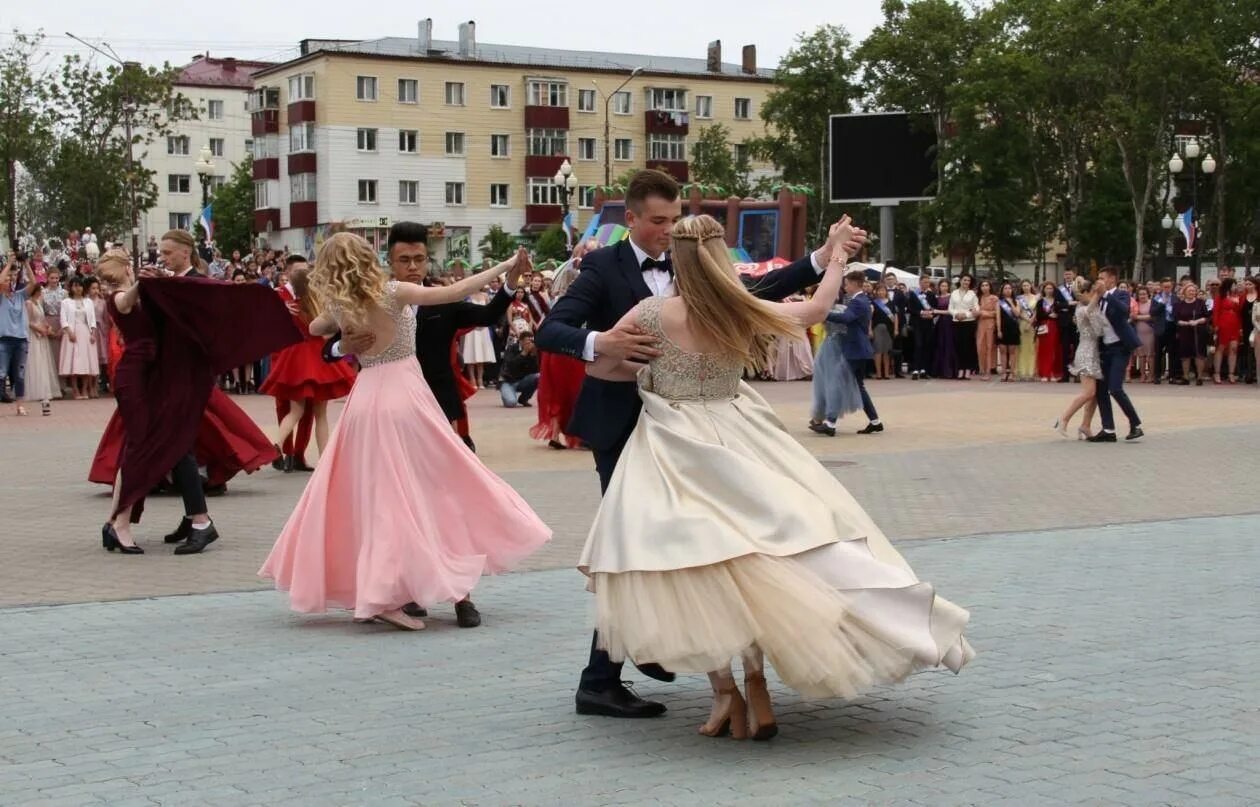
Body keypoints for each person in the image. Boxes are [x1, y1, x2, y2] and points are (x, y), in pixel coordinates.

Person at [578, 215, 972, 740]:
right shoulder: (735, 306)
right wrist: (835, 261)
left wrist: (647, 369)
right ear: (720, 258)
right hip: (740, 434)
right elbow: (811, 310)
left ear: (677, 258)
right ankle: (758, 689)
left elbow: (599, 365)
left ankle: (726, 697)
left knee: (694, 563)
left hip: (672, 445)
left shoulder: (650, 313)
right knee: (775, 547)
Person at [536, 168, 864, 719]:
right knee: (636, 546)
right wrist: (601, 340)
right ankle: (609, 673)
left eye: (673, 220)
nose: (667, 230)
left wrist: (821, 257)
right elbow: (553, 330)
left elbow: (753, 292)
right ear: (632, 219)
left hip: (698, 432)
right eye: (658, 221)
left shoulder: (697, 263)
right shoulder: (601, 266)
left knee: (698, 543)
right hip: (625, 428)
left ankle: (646, 651)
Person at [259, 233, 551, 630]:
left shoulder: (345, 303)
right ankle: (394, 591)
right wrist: (503, 268)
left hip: (366, 401)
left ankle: (400, 588)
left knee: (382, 495)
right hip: (405, 398)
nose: (413, 265)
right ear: (375, 258)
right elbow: (460, 290)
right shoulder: (394, 293)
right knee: (425, 487)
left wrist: (345, 340)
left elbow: (314, 328)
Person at [97, 249, 299, 555]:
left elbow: (206, 300)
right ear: (127, 268)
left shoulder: (153, 288)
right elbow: (125, 303)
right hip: (137, 378)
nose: (163, 257)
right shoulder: (120, 296)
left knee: (151, 446)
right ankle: (125, 522)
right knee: (145, 446)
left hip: (161, 378)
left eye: (168, 251)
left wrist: (270, 301)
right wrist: (142, 284)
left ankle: (121, 522)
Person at [322, 222, 517, 453]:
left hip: (438, 402)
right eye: (405, 260)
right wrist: (342, 346)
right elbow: (327, 349)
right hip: (387, 408)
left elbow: (487, 315)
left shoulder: (442, 301)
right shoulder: (370, 301)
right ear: (390, 262)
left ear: (427, 261)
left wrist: (511, 283)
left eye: (419, 259)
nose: (413, 267)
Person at [260, 263, 356, 468]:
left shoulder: (289, 303)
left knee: (295, 411)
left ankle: (277, 443)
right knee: (321, 414)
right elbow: (326, 333)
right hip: (318, 356)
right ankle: (324, 459)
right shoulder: (319, 303)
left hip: (295, 356)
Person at [531, 249, 591, 449]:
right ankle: (578, 433)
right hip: (572, 352)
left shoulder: (556, 300)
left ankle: (556, 434)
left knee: (556, 392)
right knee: (575, 391)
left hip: (554, 351)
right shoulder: (579, 301)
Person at [271, 255, 318, 472]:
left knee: (307, 408)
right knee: (285, 406)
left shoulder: (312, 296)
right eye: (298, 270)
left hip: (308, 358)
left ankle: (299, 454)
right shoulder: (277, 296)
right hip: (283, 357)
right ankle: (285, 453)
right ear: (287, 272)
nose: (302, 274)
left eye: (305, 269)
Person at [1088, 266, 1143, 444]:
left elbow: (1123, 311)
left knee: (1115, 388)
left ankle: (1135, 424)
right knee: (1101, 389)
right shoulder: (1098, 298)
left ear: (1111, 279)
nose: (1099, 281)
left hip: (1120, 347)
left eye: (1102, 278)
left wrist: (1106, 294)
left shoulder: (1120, 294)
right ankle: (1108, 429)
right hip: (1105, 348)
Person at [1054, 278, 1104, 439]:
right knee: (1088, 393)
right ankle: (1063, 418)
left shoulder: (1087, 308)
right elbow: (1098, 330)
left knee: (1094, 394)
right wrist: (1098, 294)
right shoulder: (1083, 309)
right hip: (1086, 352)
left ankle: (1085, 425)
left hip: (1093, 351)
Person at [58, 277, 99, 400]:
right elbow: (63, 319)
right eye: (75, 286)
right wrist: (69, 332)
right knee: (73, 362)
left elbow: (92, 319)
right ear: (71, 287)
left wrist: (93, 333)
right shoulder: (66, 302)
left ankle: (85, 388)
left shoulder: (88, 302)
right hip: (72, 332)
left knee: (86, 361)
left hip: (85, 332)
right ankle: (75, 389)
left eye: (80, 286)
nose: (78, 288)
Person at [0, 255, 32, 414]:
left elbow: (34, 284)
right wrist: (10, 263)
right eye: (7, 279)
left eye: (11, 279)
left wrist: (26, 263)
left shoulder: (20, 295)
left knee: (19, 374)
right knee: (1, 372)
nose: (9, 281)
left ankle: (20, 405)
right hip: (4, 340)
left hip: (21, 340)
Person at [23, 284, 61, 415]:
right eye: (40, 290)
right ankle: (34, 389)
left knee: (43, 361)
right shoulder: (28, 303)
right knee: (35, 360)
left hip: (42, 334)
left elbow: (42, 318)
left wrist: (47, 327)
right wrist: (39, 329)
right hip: (33, 335)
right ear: (36, 291)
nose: (42, 293)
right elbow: (27, 321)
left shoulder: (38, 303)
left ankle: (44, 389)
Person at [1172, 281, 1210, 386]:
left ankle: (1199, 377)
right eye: (1189, 291)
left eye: (1193, 291)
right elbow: (1176, 319)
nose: (1192, 292)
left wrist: (1197, 321)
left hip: (1198, 331)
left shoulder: (1200, 303)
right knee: (1185, 355)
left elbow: (1206, 317)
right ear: (1184, 292)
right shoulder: (1179, 304)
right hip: (1185, 332)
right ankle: (1185, 377)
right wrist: (1186, 323)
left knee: (1199, 354)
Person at [460, 286, 498, 389]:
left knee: (481, 355)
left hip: (483, 329)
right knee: (471, 354)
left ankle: (480, 379)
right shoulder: (466, 297)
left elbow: (490, 311)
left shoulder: (485, 296)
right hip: (471, 329)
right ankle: (472, 379)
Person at [498, 330, 540, 408]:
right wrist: (523, 353)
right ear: (520, 341)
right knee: (511, 403)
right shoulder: (512, 348)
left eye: (532, 342)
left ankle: (524, 399)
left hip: (522, 381)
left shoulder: (533, 352)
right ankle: (506, 393)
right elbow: (510, 365)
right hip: (508, 381)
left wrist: (533, 356)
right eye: (527, 342)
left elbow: (535, 371)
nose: (530, 344)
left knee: (538, 376)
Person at [1211, 277, 1242, 383]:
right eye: (1233, 285)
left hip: (1235, 323)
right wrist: (1216, 325)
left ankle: (1231, 373)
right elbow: (1216, 311)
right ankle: (1217, 373)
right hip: (1223, 323)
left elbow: (1239, 312)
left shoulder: (1237, 296)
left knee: (1233, 348)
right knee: (1220, 348)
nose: (1235, 287)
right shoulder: (1220, 296)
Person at [948, 275, 979, 379]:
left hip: (969, 322)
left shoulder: (972, 294)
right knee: (959, 346)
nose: (966, 282)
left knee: (968, 346)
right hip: (957, 322)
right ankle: (960, 369)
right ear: (960, 281)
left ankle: (968, 369)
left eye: (968, 280)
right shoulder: (954, 293)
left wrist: (966, 315)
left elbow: (976, 308)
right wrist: (956, 314)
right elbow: (950, 308)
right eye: (964, 280)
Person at [906, 275, 936, 379]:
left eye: (928, 282)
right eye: (924, 282)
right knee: (918, 345)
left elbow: (935, 308)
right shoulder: (913, 294)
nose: (926, 284)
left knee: (927, 346)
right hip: (917, 323)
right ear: (920, 282)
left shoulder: (931, 294)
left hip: (928, 324)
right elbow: (910, 308)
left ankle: (924, 370)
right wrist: (921, 312)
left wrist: (931, 314)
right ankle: (915, 369)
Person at [1055, 269, 1080, 382]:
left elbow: (1082, 302)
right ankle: (1065, 375)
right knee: (1065, 349)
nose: (1068, 276)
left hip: (1077, 322)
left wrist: (1066, 307)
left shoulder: (1079, 287)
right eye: (1065, 274)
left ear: (1074, 275)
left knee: (1077, 349)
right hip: (1064, 323)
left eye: (1070, 274)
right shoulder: (1059, 289)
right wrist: (1069, 304)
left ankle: (1077, 374)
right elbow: (1056, 305)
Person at [930, 278, 957, 380]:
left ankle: (949, 370)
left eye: (946, 286)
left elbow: (951, 311)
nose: (944, 288)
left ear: (948, 287)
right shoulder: (936, 297)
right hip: (940, 323)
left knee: (949, 344)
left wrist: (936, 311)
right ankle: (939, 370)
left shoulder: (952, 297)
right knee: (940, 344)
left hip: (949, 322)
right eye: (942, 286)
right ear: (939, 287)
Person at [1035, 282, 1063, 382]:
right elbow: (1038, 315)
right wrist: (1048, 315)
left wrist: (1057, 315)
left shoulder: (1057, 301)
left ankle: (1053, 373)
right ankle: (1044, 373)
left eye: (1051, 288)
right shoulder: (1040, 301)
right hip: (1044, 327)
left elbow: (1061, 313)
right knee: (1044, 350)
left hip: (1055, 326)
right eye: (1047, 288)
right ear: (1044, 289)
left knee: (1054, 350)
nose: (1049, 290)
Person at [869, 284, 896, 380]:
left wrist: (896, 329)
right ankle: (879, 373)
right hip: (877, 328)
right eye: (879, 290)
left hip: (889, 329)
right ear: (876, 292)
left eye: (883, 290)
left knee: (887, 351)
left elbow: (895, 317)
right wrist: (870, 329)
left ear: (886, 292)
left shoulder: (891, 303)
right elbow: (870, 318)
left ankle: (886, 373)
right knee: (878, 351)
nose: (881, 292)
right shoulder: (874, 303)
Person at [1130, 287, 1157, 383]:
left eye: (1144, 294)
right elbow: (1131, 315)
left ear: (1148, 294)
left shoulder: (1152, 303)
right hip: (1138, 331)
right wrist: (1135, 317)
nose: (1142, 296)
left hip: (1150, 331)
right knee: (1141, 355)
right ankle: (1142, 375)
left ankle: (1151, 375)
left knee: (1150, 354)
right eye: (1140, 294)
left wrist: (1137, 317)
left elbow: (1152, 316)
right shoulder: (1135, 304)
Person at [975, 279, 998, 379]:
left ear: (990, 287)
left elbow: (997, 313)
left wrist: (984, 313)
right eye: (982, 286)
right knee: (980, 347)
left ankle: (988, 371)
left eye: (986, 285)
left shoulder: (994, 298)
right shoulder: (978, 298)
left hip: (991, 324)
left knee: (989, 347)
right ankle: (982, 368)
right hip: (980, 325)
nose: (984, 287)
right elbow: (974, 311)